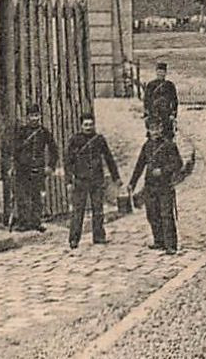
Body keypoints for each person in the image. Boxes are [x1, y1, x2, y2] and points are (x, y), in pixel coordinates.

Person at [63, 112, 120, 249]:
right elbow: (68, 162)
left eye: (91, 124)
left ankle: (99, 236)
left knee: (98, 209)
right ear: (81, 125)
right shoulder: (75, 140)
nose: (88, 127)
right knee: (78, 210)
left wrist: (116, 177)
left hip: (96, 179)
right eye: (85, 125)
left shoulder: (99, 139)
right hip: (81, 180)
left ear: (94, 125)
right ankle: (74, 239)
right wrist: (69, 181)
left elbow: (109, 158)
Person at [129, 116, 183, 254]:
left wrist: (163, 170)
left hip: (165, 185)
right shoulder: (146, 147)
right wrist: (132, 183)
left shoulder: (169, 145)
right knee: (152, 214)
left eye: (158, 128)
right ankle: (159, 241)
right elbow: (140, 165)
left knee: (166, 214)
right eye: (152, 128)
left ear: (162, 128)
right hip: (150, 186)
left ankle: (171, 244)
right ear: (148, 130)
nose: (156, 131)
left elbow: (178, 163)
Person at [8, 104, 59, 232]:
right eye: (32, 116)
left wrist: (51, 166)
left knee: (37, 196)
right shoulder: (22, 132)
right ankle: (24, 222)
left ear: (40, 116)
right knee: (22, 195)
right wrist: (13, 166)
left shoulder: (44, 132)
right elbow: (14, 150)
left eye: (36, 115)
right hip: (22, 168)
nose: (34, 118)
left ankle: (36, 222)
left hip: (38, 168)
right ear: (27, 117)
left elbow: (54, 150)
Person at [142, 61, 179, 138]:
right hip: (154, 114)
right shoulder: (151, 85)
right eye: (159, 72)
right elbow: (146, 100)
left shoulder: (170, 85)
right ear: (156, 72)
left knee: (167, 135)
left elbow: (174, 100)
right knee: (153, 136)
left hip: (166, 114)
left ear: (165, 73)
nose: (161, 74)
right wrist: (146, 114)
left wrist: (173, 114)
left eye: (162, 72)